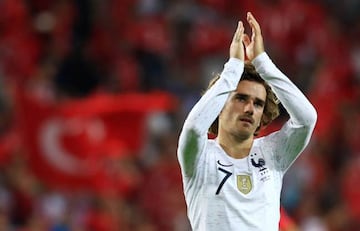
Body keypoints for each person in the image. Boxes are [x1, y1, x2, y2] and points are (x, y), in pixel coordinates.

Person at [177, 12, 317, 231]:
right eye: (241, 98)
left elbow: (307, 119)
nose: (250, 108)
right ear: (220, 105)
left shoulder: (273, 153)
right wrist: (232, 69)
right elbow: (194, 128)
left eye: (258, 104)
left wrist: (262, 63)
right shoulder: (200, 157)